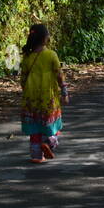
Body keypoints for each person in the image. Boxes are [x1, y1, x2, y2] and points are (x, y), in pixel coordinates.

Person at [19, 24, 69, 163]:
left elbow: (23, 79)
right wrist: (64, 91)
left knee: (34, 126)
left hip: (31, 98)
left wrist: (27, 92)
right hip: (48, 98)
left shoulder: (27, 57)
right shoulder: (51, 55)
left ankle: (36, 156)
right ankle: (49, 141)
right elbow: (59, 75)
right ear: (45, 38)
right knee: (51, 123)